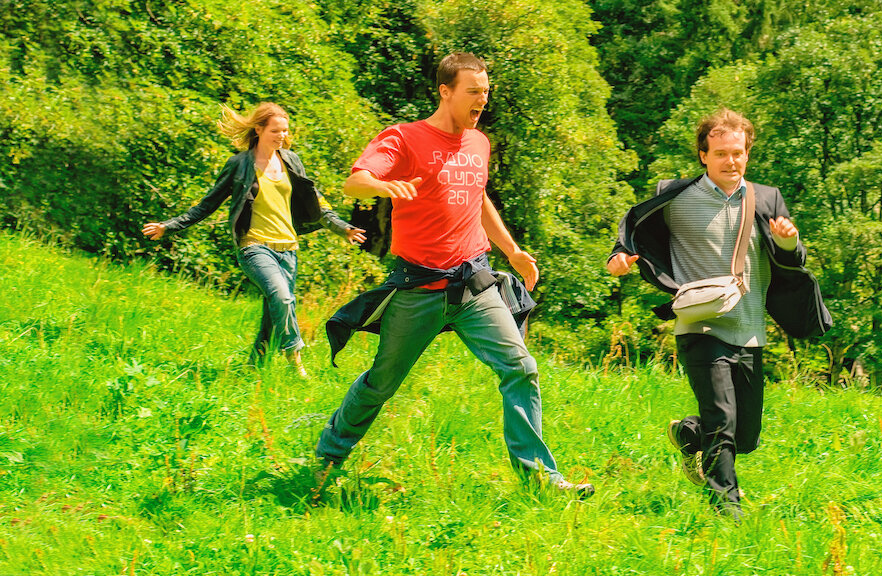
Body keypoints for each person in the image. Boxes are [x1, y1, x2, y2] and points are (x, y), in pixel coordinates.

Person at [315, 52, 594, 498]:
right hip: (419, 287)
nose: (481, 99)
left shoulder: (478, 143)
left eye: (485, 91)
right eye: (473, 91)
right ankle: (327, 458)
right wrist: (384, 185)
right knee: (381, 382)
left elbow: (478, 199)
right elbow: (356, 181)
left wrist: (514, 251)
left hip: (475, 283)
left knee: (521, 367)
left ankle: (540, 479)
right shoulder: (405, 138)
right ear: (445, 92)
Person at [607, 108, 829, 520]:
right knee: (722, 420)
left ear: (748, 154)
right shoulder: (675, 195)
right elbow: (634, 229)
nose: (731, 161)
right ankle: (728, 510)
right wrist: (620, 257)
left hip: (750, 329)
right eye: (722, 153)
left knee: (745, 436)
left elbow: (794, 260)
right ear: (703, 156)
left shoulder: (765, 198)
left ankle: (688, 434)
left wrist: (787, 242)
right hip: (700, 324)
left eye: (739, 153)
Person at [143, 102, 366, 377]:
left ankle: (253, 369)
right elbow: (207, 204)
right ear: (259, 129)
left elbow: (315, 202)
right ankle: (296, 360)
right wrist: (169, 226)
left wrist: (342, 227)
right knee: (283, 299)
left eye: (285, 131)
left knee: (273, 317)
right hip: (254, 246)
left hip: (289, 250)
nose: (281, 136)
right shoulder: (239, 164)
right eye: (275, 130)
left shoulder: (291, 160)